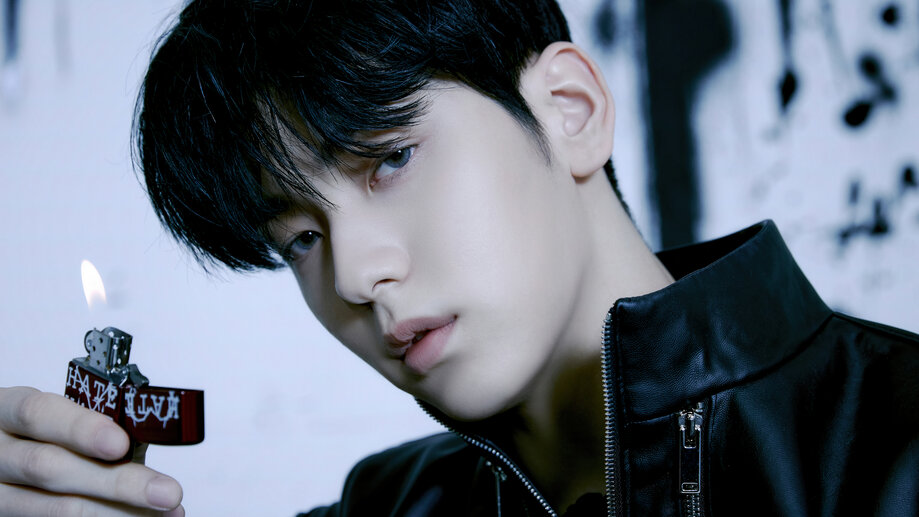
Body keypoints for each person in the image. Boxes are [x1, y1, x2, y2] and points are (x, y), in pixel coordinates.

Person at [1, 1, 917, 515]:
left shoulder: (895, 448)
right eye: (300, 240)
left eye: (390, 159)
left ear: (568, 111)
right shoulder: (383, 508)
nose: (353, 276)